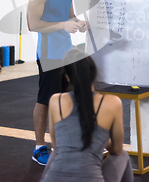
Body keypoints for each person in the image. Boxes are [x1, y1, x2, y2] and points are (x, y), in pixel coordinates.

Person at [27, 0, 88, 165]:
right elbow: (33, 24)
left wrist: (79, 23)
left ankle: (62, 144)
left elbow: (69, 16)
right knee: (45, 100)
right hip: (48, 54)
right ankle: (38, 147)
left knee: (66, 99)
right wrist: (63, 24)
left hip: (66, 52)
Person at [41, 49, 134, 182]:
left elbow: (57, 146)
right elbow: (117, 150)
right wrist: (98, 138)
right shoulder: (113, 103)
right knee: (123, 155)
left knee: (57, 153)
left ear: (67, 77)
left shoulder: (56, 100)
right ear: (94, 73)